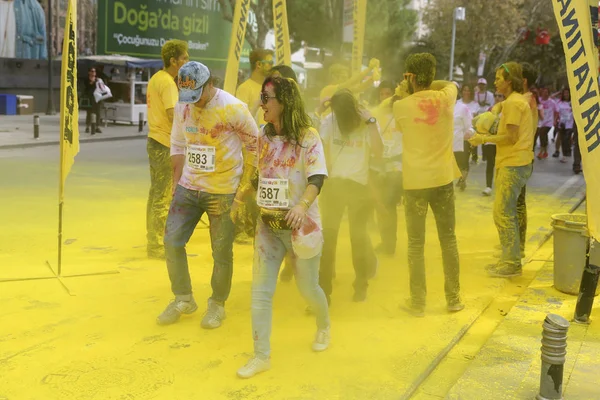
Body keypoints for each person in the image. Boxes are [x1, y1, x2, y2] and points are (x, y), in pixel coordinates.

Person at [237, 77, 331, 379]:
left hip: (300, 228)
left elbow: (317, 177)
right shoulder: (263, 137)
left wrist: (302, 205)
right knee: (261, 293)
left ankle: (323, 325)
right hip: (268, 227)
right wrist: (240, 196)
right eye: (262, 97)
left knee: (308, 288)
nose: (261, 103)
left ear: (284, 102)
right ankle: (261, 355)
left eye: (266, 97)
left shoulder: (308, 137)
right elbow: (260, 175)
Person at [157, 61, 259, 328]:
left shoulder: (234, 108)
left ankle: (217, 304)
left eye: (198, 96)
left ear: (210, 84)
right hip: (188, 187)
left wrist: (243, 189)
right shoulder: (183, 105)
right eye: (188, 97)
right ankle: (183, 298)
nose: (193, 103)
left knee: (221, 251)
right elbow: (178, 142)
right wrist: (175, 182)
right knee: (171, 241)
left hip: (223, 190)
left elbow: (255, 148)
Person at [393, 53, 463, 317]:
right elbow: (450, 84)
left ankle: (418, 302)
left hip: (415, 183)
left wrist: (407, 89)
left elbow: (402, 131)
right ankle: (454, 298)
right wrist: (427, 80)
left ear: (409, 76)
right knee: (448, 240)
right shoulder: (446, 96)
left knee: (415, 244)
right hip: (443, 179)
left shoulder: (401, 106)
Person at [469, 62, 534, 277]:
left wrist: (483, 139)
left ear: (509, 81)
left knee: (503, 214)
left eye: (498, 78)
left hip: (514, 164)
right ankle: (510, 258)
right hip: (515, 162)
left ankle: (511, 263)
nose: (495, 82)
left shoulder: (514, 104)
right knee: (509, 212)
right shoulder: (512, 101)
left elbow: (511, 137)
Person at [319, 89, 383, 304]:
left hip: (358, 187)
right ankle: (324, 292)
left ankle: (361, 284)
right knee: (327, 240)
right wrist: (319, 111)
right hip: (334, 185)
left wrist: (372, 123)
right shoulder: (330, 120)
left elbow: (378, 152)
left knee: (358, 238)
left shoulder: (367, 121)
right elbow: (319, 147)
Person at [145, 39, 189, 260]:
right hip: (164, 143)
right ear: (173, 60)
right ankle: (159, 246)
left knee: (155, 194)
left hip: (155, 140)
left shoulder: (156, 78)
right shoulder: (169, 84)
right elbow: (174, 116)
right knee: (162, 196)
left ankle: (152, 242)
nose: (187, 61)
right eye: (184, 58)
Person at [372, 82, 403, 256]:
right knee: (379, 205)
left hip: (395, 167)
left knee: (389, 205)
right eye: (382, 94)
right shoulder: (375, 115)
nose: (385, 97)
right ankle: (385, 240)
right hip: (377, 166)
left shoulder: (401, 114)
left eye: (388, 94)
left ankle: (390, 244)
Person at [236, 49, 274, 126]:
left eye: (272, 63)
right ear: (259, 64)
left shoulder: (272, 87)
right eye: (269, 63)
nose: (272, 66)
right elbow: (240, 120)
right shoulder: (244, 88)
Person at [456, 84, 479, 191]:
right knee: (457, 161)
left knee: (465, 159)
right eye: (464, 90)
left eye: (468, 90)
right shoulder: (458, 103)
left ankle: (462, 180)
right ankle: (460, 177)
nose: (466, 92)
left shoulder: (474, 104)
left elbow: (475, 121)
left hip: (468, 135)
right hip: (456, 137)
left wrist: (471, 132)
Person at [480, 92, 504, 196]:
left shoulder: (507, 110)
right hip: (490, 141)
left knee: (501, 165)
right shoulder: (490, 110)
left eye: (500, 96)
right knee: (490, 164)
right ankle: (488, 186)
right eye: (496, 95)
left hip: (502, 142)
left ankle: (501, 186)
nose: (497, 98)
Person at [472, 78, 496, 163]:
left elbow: (492, 106)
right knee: (474, 137)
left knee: (484, 138)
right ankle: (474, 156)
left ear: (486, 85)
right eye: (480, 84)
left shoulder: (490, 95)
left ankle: (484, 156)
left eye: (483, 84)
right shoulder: (474, 95)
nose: (481, 86)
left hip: (486, 119)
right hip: (477, 118)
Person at [81, 67, 106, 134]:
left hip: (97, 98)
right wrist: (92, 81)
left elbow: (102, 87)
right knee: (89, 113)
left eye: (94, 71)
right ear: (89, 72)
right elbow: (86, 87)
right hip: (90, 98)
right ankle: (87, 127)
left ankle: (97, 127)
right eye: (92, 71)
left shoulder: (98, 80)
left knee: (97, 112)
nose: (93, 73)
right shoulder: (86, 80)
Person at [535, 87, 557, 159]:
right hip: (541, 122)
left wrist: (555, 120)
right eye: (544, 92)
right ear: (542, 93)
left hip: (549, 122)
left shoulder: (552, 102)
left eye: (547, 92)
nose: (545, 93)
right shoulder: (539, 101)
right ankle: (545, 152)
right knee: (544, 136)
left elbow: (556, 111)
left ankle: (541, 152)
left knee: (542, 134)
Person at [555, 88, 574, 163]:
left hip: (570, 124)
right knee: (563, 140)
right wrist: (555, 121)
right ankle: (564, 156)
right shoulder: (560, 103)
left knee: (567, 138)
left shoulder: (573, 103)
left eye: (567, 93)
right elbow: (557, 113)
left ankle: (568, 151)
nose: (566, 94)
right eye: (564, 93)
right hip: (562, 124)